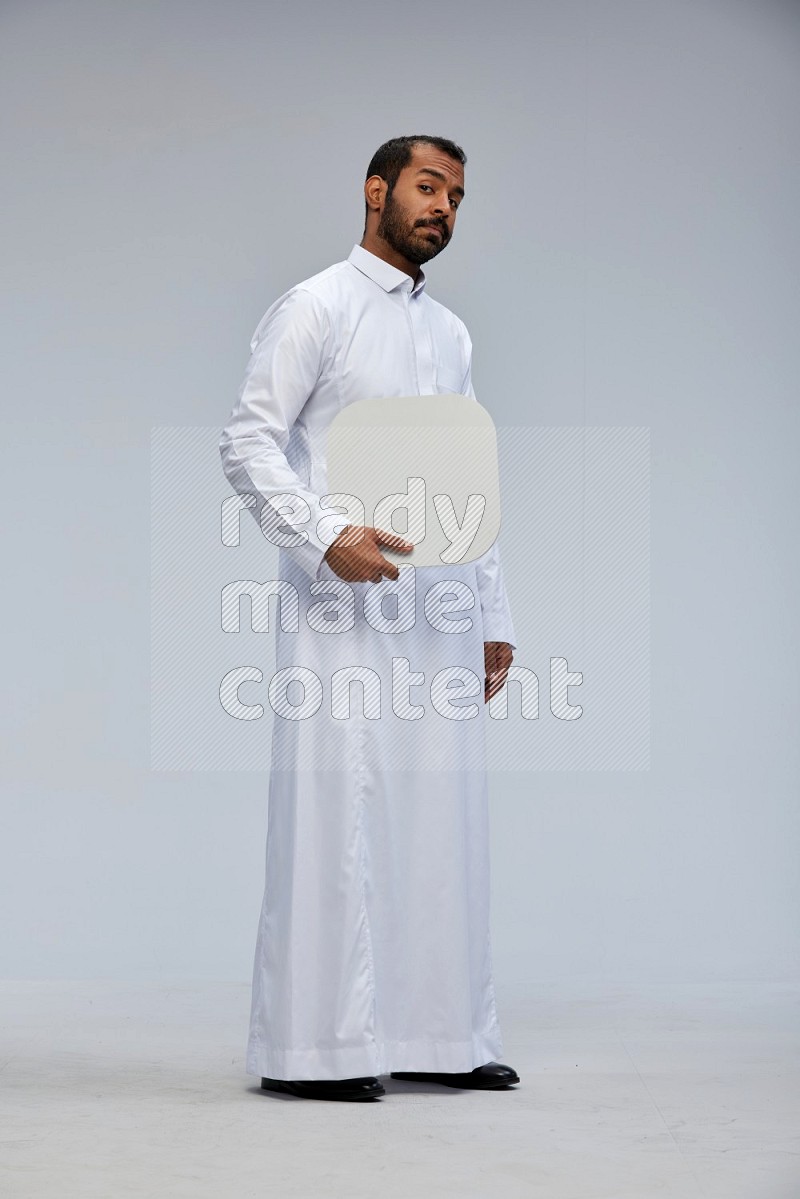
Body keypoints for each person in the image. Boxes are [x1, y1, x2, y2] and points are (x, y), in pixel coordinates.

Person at [219, 134, 520, 1102]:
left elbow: (468, 477)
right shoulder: (316, 306)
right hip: (341, 606)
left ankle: (441, 1032)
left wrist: (491, 613)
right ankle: (316, 1048)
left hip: (438, 607)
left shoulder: (452, 333)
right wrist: (320, 534)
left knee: (443, 813)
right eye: (428, 187)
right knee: (335, 811)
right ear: (376, 189)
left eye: (457, 197)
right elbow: (248, 443)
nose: (443, 208)